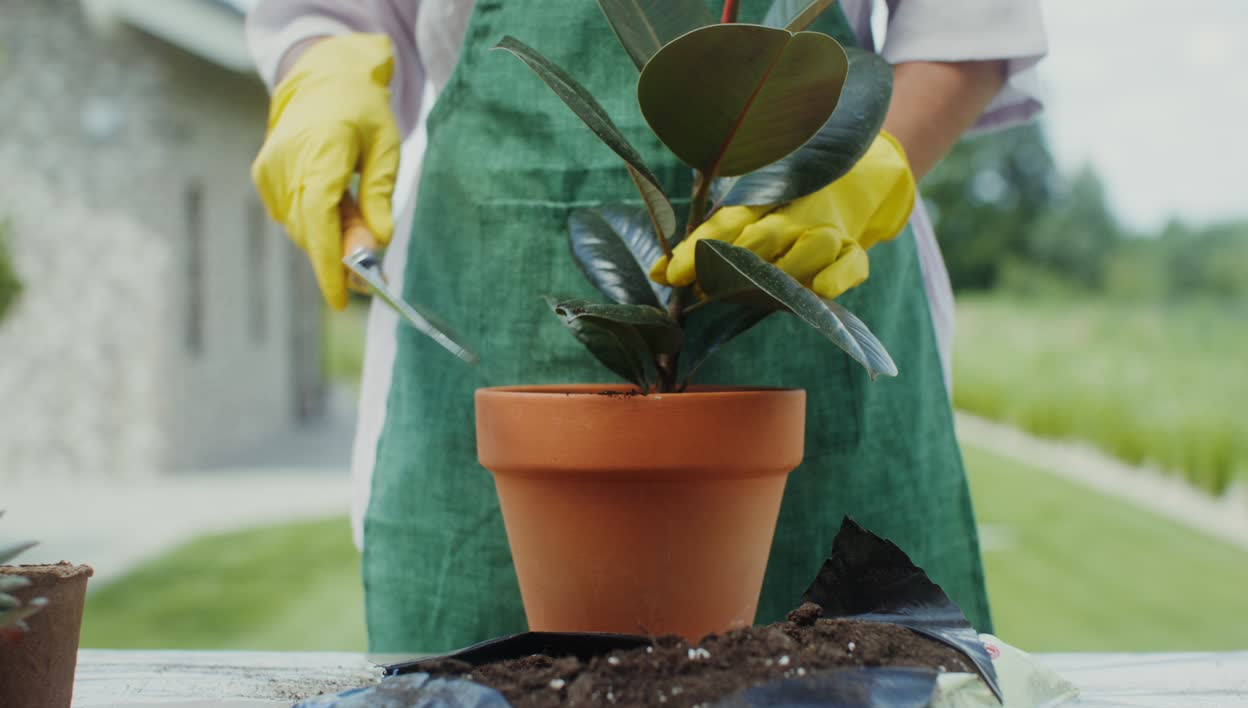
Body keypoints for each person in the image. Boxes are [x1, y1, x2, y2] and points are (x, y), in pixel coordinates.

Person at [246, 0, 1047, 653]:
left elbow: (965, 24)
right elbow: (330, 15)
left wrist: (872, 158)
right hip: (480, 263)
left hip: (811, 243)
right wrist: (319, 64)